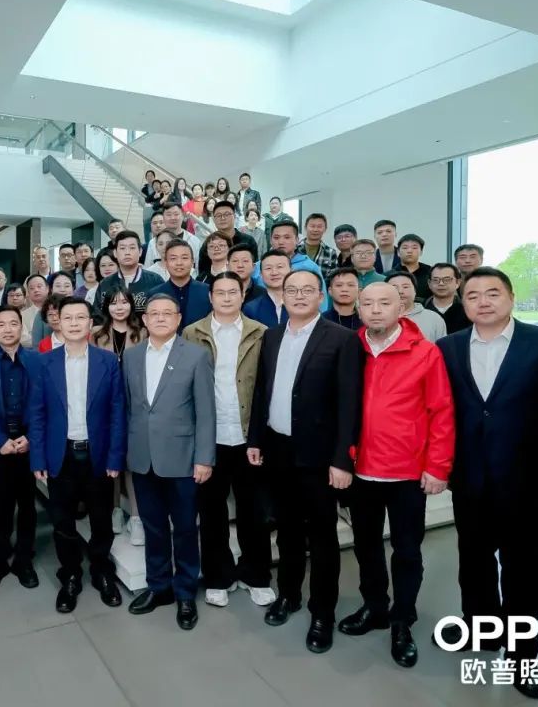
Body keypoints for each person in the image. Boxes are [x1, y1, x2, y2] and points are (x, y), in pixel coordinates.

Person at [435, 267, 538, 700]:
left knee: (523, 571)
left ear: (511, 297)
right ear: (463, 303)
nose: (483, 302)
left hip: (529, 479)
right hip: (469, 477)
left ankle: (522, 658)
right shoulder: (447, 348)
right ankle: (482, 632)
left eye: (492, 293)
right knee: (474, 563)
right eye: (473, 296)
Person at [247, 270, 363, 654]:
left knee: (323, 536)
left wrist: (342, 460)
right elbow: (262, 391)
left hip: (319, 456)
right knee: (287, 530)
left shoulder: (342, 339)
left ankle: (322, 612)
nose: (299, 296)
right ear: (282, 295)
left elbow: (349, 404)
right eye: (292, 290)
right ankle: (289, 594)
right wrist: (256, 439)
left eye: (307, 290)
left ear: (321, 296)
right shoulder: (272, 335)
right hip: (278, 450)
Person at [339, 282, 454, 669]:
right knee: (366, 546)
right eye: (367, 303)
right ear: (358, 308)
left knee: (407, 551)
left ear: (401, 307)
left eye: (384, 303)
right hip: (361, 469)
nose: (375, 310)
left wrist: (437, 467)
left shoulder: (425, 352)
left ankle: (402, 619)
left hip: (407, 471)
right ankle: (375, 607)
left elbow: (441, 412)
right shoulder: (351, 348)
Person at [28, 297, 126, 613]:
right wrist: (37, 458)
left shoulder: (107, 361)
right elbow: (37, 414)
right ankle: (70, 575)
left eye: (80, 317)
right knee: (63, 522)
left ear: (90, 323)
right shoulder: (45, 362)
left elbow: (117, 412)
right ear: (58, 322)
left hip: (98, 456)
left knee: (101, 520)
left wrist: (115, 457)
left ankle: (101, 571)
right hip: (61, 455)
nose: (73, 323)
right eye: (67, 317)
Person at [123, 293, 215, 630]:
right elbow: (129, 406)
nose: (160, 318)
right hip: (143, 457)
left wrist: (204, 458)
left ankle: (185, 592)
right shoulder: (131, 356)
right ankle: (158, 586)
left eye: (167, 313)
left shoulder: (196, 355)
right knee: (153, 526)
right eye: (154, 313)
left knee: (186, 528)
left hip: (183, 458)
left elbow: (206, 412)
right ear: (144, 320)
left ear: (178, 319)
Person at [183, 273, 273, 609]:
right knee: (211, 512)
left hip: (249, 437)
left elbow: (266, 386)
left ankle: (256, 575)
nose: (225, 298)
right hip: (211, 437)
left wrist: (260, 435)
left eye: (232, 292)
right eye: (219, 292)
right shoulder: (192, 333)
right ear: (210, 297)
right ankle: (218, 577)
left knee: (254, 511)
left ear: (243, 294)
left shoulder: (261, 332)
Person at [0, 306, 44, 592]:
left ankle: (24, 560)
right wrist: (0, 440)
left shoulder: (37, 360)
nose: (7, 329)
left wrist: (30, 438)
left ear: (21, 327)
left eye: (13, 323)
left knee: (27, 505)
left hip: (28, 442)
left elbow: (43, 403)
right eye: (0, 324)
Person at [92, 288, 146, 544]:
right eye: (114, 303)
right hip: (106, 405)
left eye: (124, 302)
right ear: (107, 307)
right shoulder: (96, 334)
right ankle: (114, 510)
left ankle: (136, 517)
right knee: (110, 459)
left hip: (136, 403)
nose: (119, 307)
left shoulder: (142, 333)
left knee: (131, 460)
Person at [147, 239, 212, 332]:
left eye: (184, 258)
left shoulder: (207, 291)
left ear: (192, 262)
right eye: (173, 258)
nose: (179, 263)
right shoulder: (155, 294)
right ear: (166, 262)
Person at [94, 230, 164, 316]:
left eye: (132, 248)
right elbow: (97, 315)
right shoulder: (105, 283)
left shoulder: (155, 280)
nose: (127, 252)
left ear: (140, 252)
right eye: (122, 248)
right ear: (115, 253)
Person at [269, 221, 329, 311]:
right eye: (276, 238)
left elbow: (321, 303)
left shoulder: (310, 267)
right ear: (270, 240)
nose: (281, 242)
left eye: (287, 237)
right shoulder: (259, 267)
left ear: (297, 240)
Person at [197, 201, 258, 276]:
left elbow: (254, 269)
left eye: (227, 214)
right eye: (218, 215)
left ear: (234, 216)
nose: (223, 218)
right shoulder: (209, 244)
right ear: (214, 219)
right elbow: (203, 272)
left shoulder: (248, 241)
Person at [386, 271, 446, 342]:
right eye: (394, 287)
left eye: (405, 287)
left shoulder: (434, 318)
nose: (400, 291)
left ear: (415, 291)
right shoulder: (378, 318)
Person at [243, 249, 290, 328]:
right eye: (268, 268)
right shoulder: (251, 309)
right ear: (261, 274)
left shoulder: (303, 303)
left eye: (280, 267)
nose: (274, 272)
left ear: (291, 270)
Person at [424, 263, 472, 333]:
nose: (441, 283)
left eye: (447, 279)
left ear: (458, 283)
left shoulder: (469, 311)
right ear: (429, 283)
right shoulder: (420, 309)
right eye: (436, 280)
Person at [32, 271, 75, 345]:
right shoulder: (43, 313)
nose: (62, 289)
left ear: (73, 288)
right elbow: (37, 345)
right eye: (58, 286)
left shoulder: (81, 310)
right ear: (51, 289)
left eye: (67, 286)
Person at [397, 234, 432, 301]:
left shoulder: (431, 273)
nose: (409, 251)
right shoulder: (389, 275)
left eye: (414, 248)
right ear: (398, 252)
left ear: (421, 252)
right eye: (405, 248)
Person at [22, 274, 49, 347]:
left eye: (39, 286)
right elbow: (23, 339)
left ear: (47, 289)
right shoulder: (22, 315)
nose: (36, 290)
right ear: (28, 292)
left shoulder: (57, 311)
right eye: (31, 288)